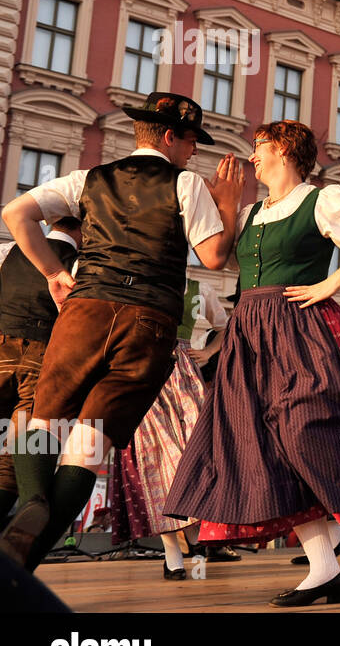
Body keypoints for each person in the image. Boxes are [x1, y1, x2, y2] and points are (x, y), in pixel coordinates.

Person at [0, 92, 241, 572]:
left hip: (85, 308)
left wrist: (54, 272)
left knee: (44, 421)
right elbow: (214, 258)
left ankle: (32, 500)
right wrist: (230, 204)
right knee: (91, 442)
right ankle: (25, 558)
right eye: (192, 141)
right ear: (171, 137)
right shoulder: (187, 183)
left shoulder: (88, 178)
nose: (194, 152)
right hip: (148, 320)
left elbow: (15, 215)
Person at [165, 119, 340, 607]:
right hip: (250, 332)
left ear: (286, 151)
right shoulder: (251, 212)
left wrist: (334, 282)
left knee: (310, 432)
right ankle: (324, 569)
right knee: (266, 448)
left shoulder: (323, 199)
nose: (252, 156)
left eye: (260, 146)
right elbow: (217, 261)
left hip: (300, 328)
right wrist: (226, 204)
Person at [107, 278, 231, 579]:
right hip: (143, 372)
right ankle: (175, 554)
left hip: (183, 377)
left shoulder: (198, 289)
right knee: (156, 462)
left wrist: (210, 351)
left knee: (195, 458)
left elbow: (227, 326)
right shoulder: (137, 279)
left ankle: (192, 541)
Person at [0, 216, 81, 526]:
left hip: (2, 348)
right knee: (21, 448)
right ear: (82, 229)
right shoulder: (79, 265)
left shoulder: (9, 251)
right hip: (42, 358)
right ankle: (27, 519)